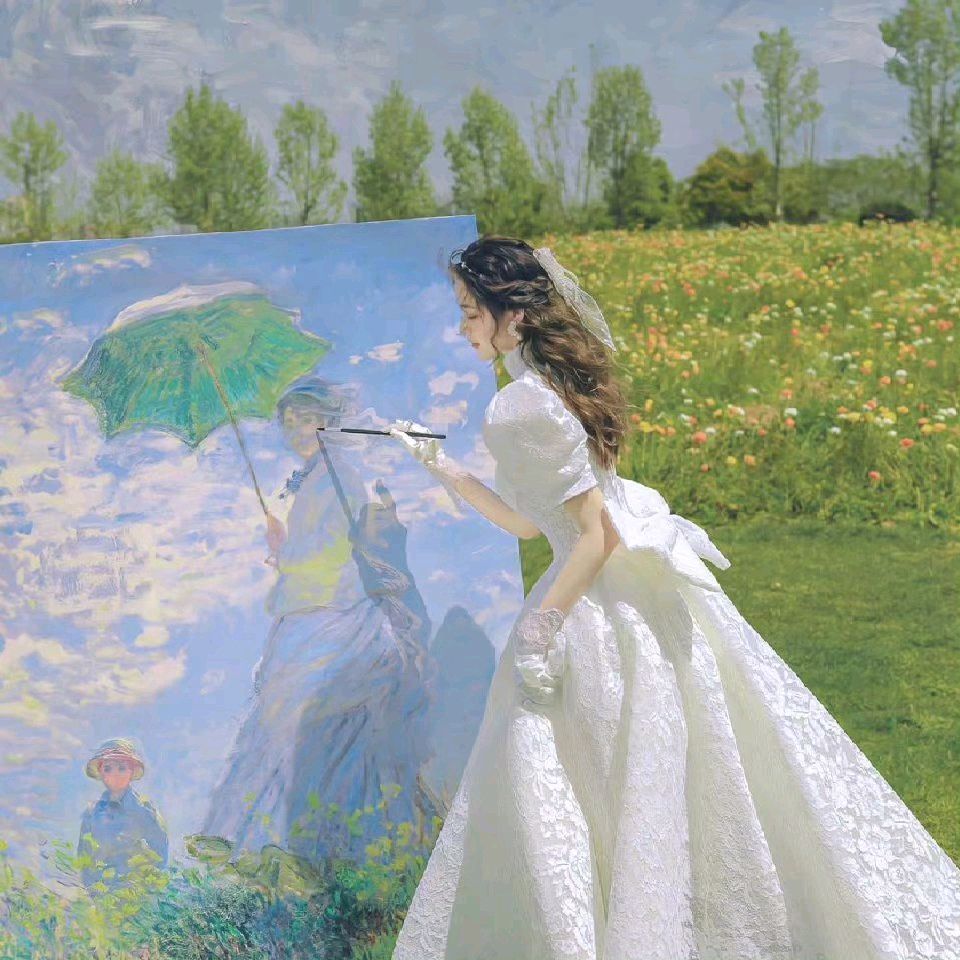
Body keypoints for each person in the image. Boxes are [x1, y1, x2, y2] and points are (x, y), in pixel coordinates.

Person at [386, 236, 960, 959]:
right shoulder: (554, 387)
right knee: (665, 779)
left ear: (515, 316)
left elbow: (594, 538)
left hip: (591, 612)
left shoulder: (522, 404)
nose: (464, 326)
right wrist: (443, 467)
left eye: (472, 311)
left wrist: (541, 629)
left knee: (587, 782)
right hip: (634, 604)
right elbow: (533, 524)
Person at [203, 377, 438, 862]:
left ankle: (272, 841)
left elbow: (333, 550)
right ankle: (250, 838)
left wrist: (286, 551)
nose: (297, 431)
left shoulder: (337, 475)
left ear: (328, 422)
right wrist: (285, 545)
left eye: (307, 420)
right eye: (290, 423)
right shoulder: (316, 476)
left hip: (331, 611)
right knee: (277, 717)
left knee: (289, 719)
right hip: (308, 607)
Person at [77, 738, 168, 889]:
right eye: (108, 769)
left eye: (121, 768)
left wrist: (147, 886)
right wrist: (93, 888)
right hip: (102, 891)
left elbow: (160, 851)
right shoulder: (92, 813)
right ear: (101, 772)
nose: (115, 774)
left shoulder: (144, 809)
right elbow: (84, 856)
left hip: (138, 889)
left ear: (131, 772)